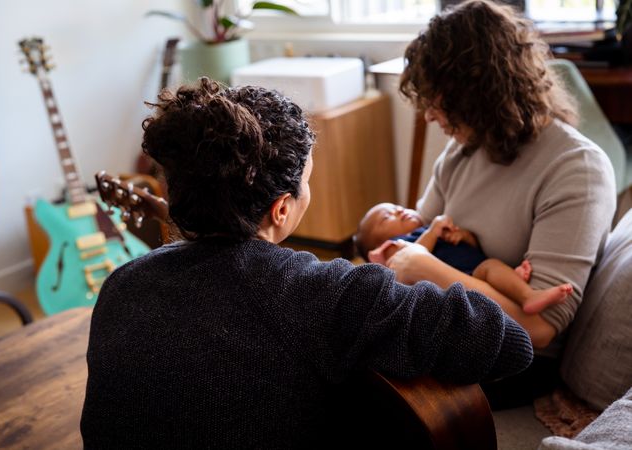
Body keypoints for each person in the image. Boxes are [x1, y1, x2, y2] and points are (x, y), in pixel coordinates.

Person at [80, 78, 533, 448]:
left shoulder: (122, 284)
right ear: (281, 209)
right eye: (307, 181)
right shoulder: (322, 293)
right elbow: (510, 343)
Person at [391, 0, 617, 408]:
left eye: (438, 97)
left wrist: (425, 267)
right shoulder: (464, 152)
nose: (429, 116)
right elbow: (416, 236)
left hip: (508, 359)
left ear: (479, 90)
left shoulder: (575, 169)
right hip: (435, 322)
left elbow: (538, 327)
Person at [354, 202, 572, 315]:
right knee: (490, 270)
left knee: (491, 266)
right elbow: (409, 260)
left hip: (474, 272)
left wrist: (465, 237)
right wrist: (432, 233)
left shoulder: (431, 229)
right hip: (449, 289)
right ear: (375, 245)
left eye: (397, 206)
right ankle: (518, 289)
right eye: (386, 217)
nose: (400, 211)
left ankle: (527, 295)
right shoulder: (394, 245)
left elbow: (473, 250)